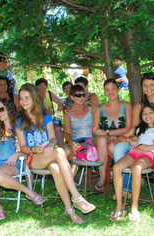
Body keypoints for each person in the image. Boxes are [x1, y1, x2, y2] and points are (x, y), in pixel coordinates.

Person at [16, 83, 95, 224]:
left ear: (34, 98)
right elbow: (23, 147)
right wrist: (34, 149)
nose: (24, 101)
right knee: (59, 151)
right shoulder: (20, 121)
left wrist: (51, 144)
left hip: (49, 154)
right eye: (21, 98)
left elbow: (53, 138)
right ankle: (76, 197)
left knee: (55, 168)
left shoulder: (45, 116)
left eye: (27, 98)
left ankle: (70, 211)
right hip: (33, 158)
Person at [113, 72, 154, 216]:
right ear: (142, 88)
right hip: (139, 144)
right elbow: (135, 129)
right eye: (145, 85)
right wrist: (132, 139)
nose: (149, 88)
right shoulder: (138, 106)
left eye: (152, 84)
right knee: (119, 149)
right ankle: (126, 189)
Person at [0, 98, 44, 220]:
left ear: (9, 108)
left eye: (1, 109)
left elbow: (27, 148)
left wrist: (17, 154)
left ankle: (29, 192)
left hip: (12, 164)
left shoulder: (19, 127)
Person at [111, 103, 154, 223]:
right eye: (144, 113)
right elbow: (121, 137)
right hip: (134, 152)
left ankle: (134, 207)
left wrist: (151, 146)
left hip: (147, 154)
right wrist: (130, 139)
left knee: (136, 168)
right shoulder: (137, 128)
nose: (147, 115)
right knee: (117, 167)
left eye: (150, 112)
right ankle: (119, 205)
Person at [92, 79, 132, 192]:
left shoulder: (126, 106)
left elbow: (128, 128)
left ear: (118, 90)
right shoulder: (99, 108)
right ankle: (103, 176)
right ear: (104, 92)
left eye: (113, 89)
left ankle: (121, 179)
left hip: (120, 139)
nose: (111, 92)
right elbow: (94, 130)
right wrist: (106, 136)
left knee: (112, 147)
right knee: (101, 140)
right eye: (107, 90)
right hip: (102, 139)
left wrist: (110, 133)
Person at [63, 85, 95, 174]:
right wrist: (71, 143)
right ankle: (65, 180)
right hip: (75, 142)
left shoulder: (91, 110)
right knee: (66, 151)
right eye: (78, 95)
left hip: (89, 142)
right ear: (72, 97)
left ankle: (68, 184)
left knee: (74, 154)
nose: (82, 97)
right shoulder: (68, 115)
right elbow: (67, 133)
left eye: (83, 95)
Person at [35, 78, 64, 148]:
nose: (42, 87)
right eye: (40, 85)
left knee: (57, 128)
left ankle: (62, 149)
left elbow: (60, 101)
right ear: (36, 87)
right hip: (39, 120)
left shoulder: (49, 94)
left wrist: (60, 105)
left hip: (51, 119)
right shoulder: (34, 96)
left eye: (44, 85)